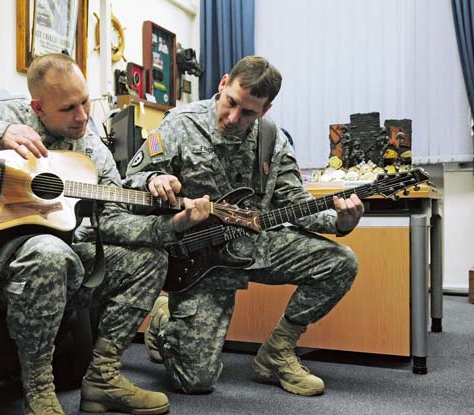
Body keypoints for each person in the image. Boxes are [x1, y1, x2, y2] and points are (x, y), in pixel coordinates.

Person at [0, 53, 210, 415]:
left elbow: (113, 221)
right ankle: (39, 393)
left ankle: (103, 377)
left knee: (149, 258)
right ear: (37, 107)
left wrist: (171, 225)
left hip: (63, 261)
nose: (82, 116)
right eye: (68, 108)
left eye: (85, 102)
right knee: (49, 250)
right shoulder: (9, 112)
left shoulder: (92, 148)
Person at [124, 56, 365, 396]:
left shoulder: (273, 139)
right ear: (223, 84)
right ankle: (164, 318)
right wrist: (154, 178)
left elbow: (291, 202)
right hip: (202, 260)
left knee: (341, 262)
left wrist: (339, 220)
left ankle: (277, 354)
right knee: (194, 382)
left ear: (264, 110)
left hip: (258, 244)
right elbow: (130, 180)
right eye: (230, 103)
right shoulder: (180, 124)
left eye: (248, 112)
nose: (233, 118)